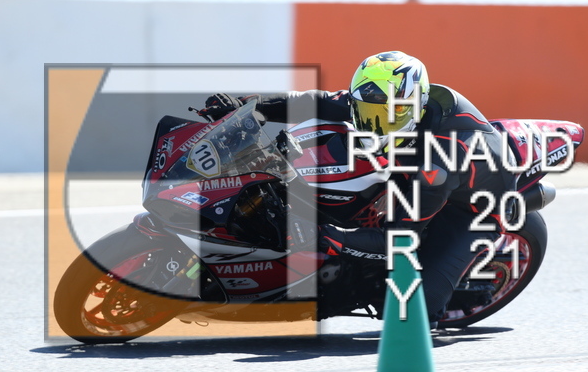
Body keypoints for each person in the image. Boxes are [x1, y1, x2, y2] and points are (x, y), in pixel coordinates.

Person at [198, 51, 517, 325]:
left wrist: (331, 236)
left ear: (411, 108)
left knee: (411, 312)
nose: (373, 124)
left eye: (385, 115)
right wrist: (248, 107)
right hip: (414, 166)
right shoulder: (390, 101)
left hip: (471, 209)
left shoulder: (438, 165)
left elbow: (399, 239)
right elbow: (316, 101)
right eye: (365, 112)